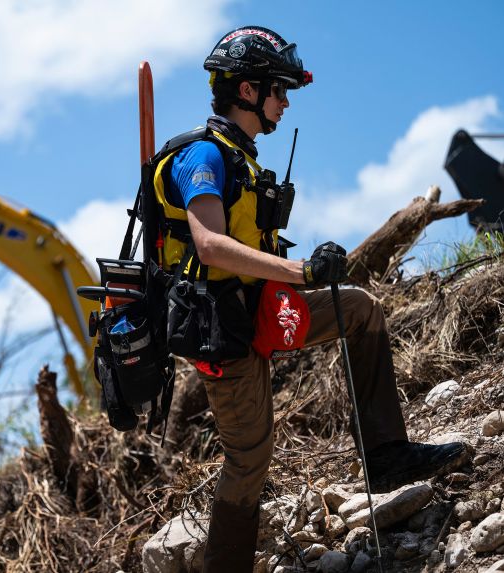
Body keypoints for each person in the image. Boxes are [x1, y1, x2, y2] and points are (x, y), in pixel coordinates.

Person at [155, 26, 469, 572]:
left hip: (259, 309)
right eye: (278, 90)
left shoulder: (242, 157)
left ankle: (388, 456)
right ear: (248, 91)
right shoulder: (202, 157)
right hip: (220, 330)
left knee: (360, 308)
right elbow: (209, 246)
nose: (284, 102)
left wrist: (312, 263)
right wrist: (301, 271)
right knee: (250, 460)